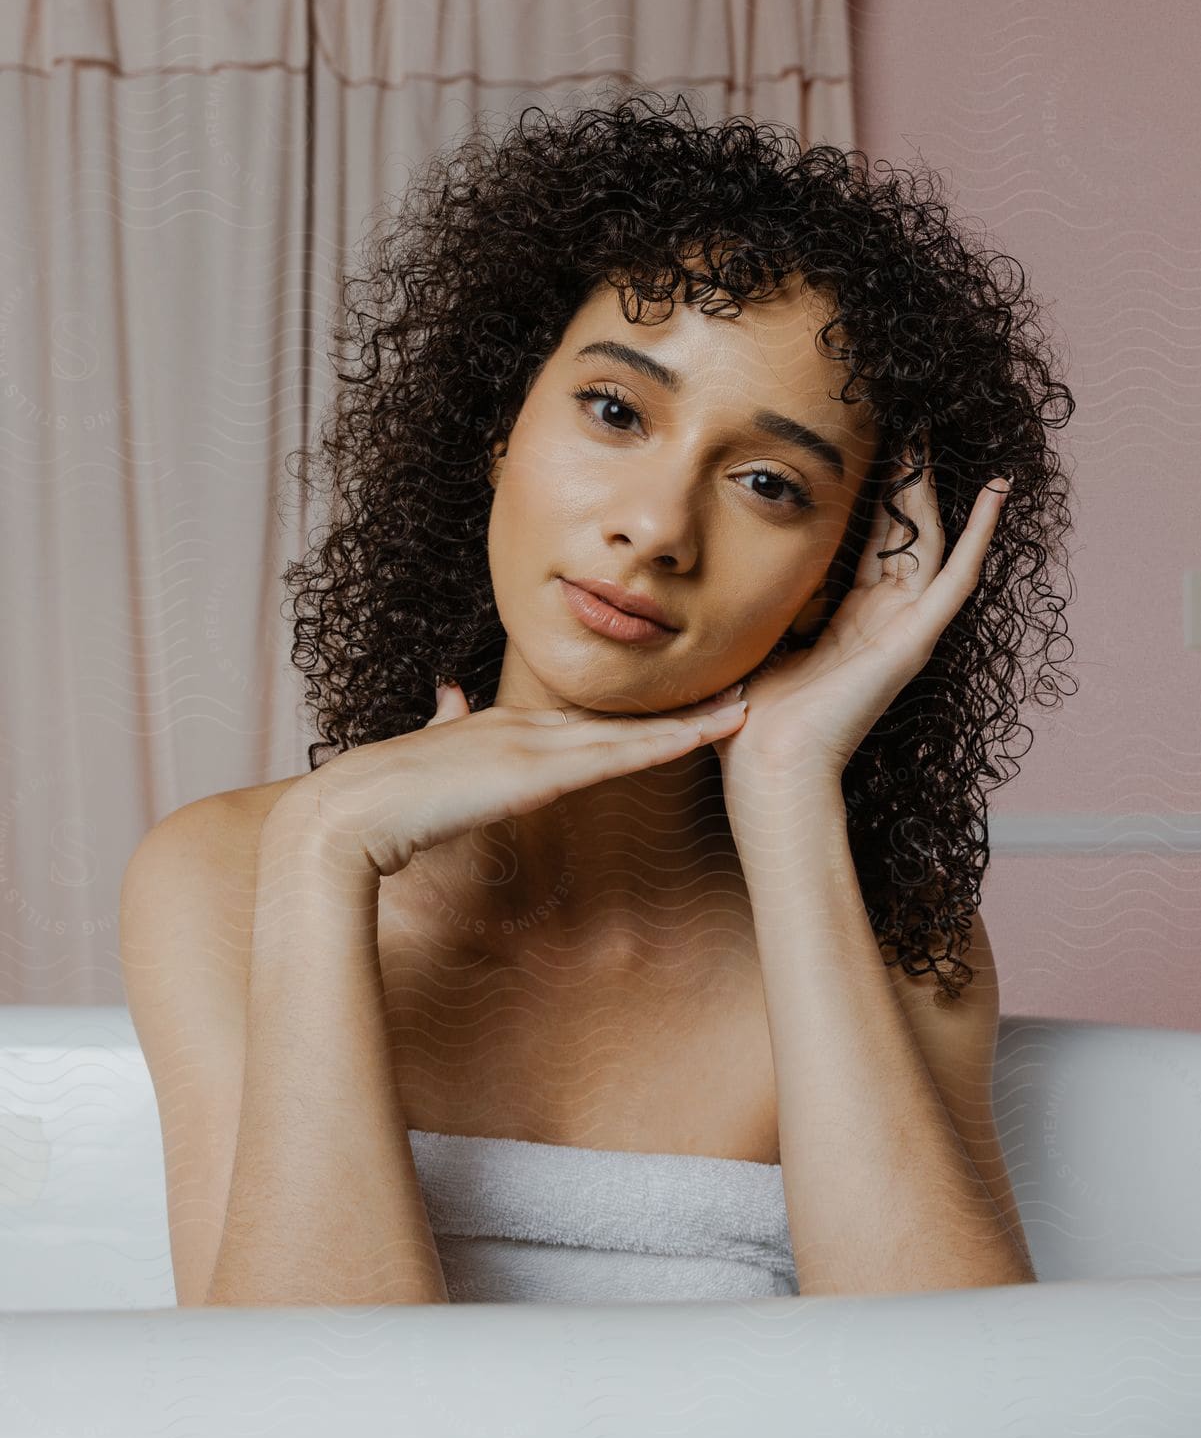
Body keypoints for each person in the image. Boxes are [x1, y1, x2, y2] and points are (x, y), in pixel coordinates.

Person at [121, 87, 1074, 1306]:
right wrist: (322, 852)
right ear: (497, 426)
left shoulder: (900, 934)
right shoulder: (220, 873)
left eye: (771, 484)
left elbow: (974, 1417)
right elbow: (305, 1433)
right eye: (616, 412)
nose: (656, 528)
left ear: (844, 572)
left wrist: (786, 803)